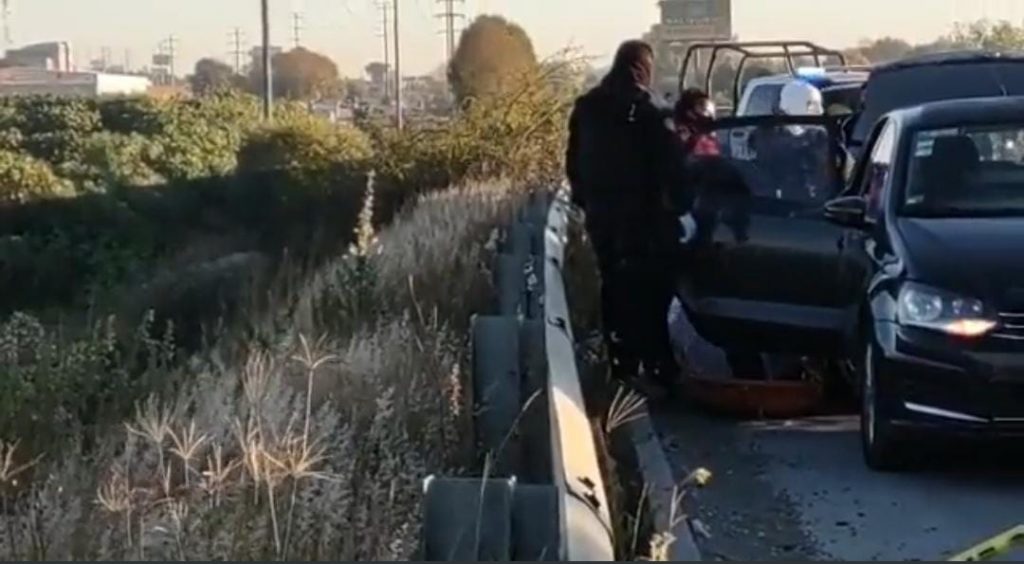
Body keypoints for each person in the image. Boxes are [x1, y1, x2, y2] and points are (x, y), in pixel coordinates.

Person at [565, 40, 696, 394]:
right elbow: (674, 168)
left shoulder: (587, 106)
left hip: (601, 217)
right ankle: (656, 365)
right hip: (644, 220)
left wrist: (585, 200)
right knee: (651, 290)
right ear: (644, 68)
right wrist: (681, 207)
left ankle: (621, 362)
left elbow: (574, 163)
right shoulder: (652, 112)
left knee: (614, 284)